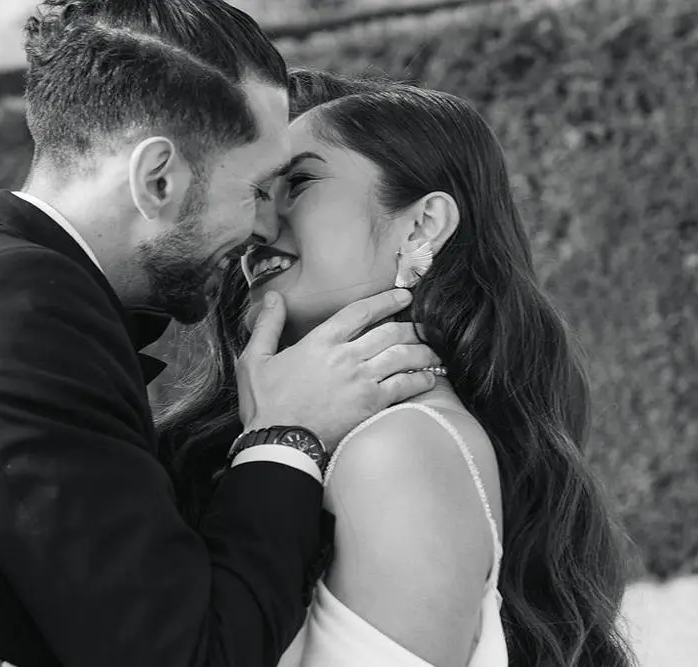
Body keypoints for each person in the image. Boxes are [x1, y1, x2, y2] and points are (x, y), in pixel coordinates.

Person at [0, 3, 440, 666]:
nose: (266, 226)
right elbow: (188, 655)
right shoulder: (18, 319)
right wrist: (286, 435)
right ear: (158, 180)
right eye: (260, 188)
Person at [155, 72, 639, 666]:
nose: (256, 223)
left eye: (298, 183)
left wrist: (274, 441)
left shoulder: (398, 449)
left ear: (422, 225)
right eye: (257, 192)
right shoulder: (343, 438)